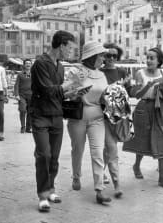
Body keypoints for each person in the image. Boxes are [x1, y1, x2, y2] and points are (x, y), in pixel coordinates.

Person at [30, 30, 80, 212]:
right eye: (70, 48)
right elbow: (47, 91)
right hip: (40, 115)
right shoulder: (40, 64)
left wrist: (72, 92)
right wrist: (68, 84)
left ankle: (51, 189)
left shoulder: (60, 66)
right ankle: (43, 195)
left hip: (56, 115)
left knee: (54, 157)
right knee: (44, 155)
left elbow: (57, 93)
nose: (71, 52)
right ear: (61, 45)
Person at [123, 48, 163, 189]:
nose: (148, 60)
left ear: (159, 60)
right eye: (147, 57)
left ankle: (162, 179)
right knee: (142, 141)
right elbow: (136, 95)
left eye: (152, 58)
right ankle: (136, 165)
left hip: (160, 109)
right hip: (143, 108)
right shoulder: (140, 73)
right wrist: (148, 85)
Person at [66, 41, 112, 204]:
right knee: (77, 149)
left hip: (97, 118)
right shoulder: (75, 71)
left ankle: (99, 190)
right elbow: (67, 94)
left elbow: (105, 95)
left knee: (98, 152)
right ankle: (76, 176)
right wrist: (77, 91)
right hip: (78, 117)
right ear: (92, 56)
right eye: (101, 55)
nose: (103, 59)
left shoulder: (102, 74)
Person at [100, 43, 127, 197]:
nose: (111, 58)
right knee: (112, 150)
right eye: (108, 55)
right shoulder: (98, 72)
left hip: (117, 117)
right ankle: (117, 185)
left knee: (109, 149)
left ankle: (103, 171)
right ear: (103, 56)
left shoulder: (122, 72)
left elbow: (128, 93)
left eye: (114, 56)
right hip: (102, 116)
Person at [14, 59, 32, 133]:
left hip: (31, 95)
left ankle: (28, 128)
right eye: (26, 63)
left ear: (31, 65)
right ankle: (23, 127)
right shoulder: (20, 74)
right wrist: (16, 94)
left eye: (29, 63)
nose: (28, 64)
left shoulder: (34, 74)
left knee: (30, 112)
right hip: (22, 96)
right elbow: (16, 85)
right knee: (23, 110)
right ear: (24, 65)